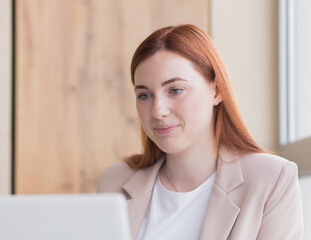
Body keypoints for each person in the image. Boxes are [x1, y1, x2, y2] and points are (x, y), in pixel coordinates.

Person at [98, 24, 303, 240]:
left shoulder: (271, 178)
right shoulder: (115, 180)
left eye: (175, 90)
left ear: (216, 91)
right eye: (144, 95)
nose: (158, 111)